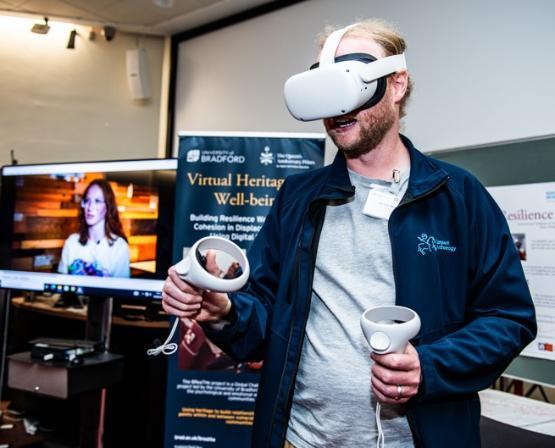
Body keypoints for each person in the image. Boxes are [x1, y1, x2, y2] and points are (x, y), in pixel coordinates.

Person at [162, 19, 537, 448]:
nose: (338, 108)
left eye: (352, 83)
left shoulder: (457, 196)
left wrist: (429, 366)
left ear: (396, 85)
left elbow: (508, 317)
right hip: (300, 439)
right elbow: (266, 317)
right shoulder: (299, 198)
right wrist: (223, 309)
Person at [58, 178, 130, 278]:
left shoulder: (119, 246)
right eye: (87, 200)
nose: (90, 207)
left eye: (97, 201)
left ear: (108, 206)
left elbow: (122, 291)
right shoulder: (72, 242)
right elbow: (60, 285)